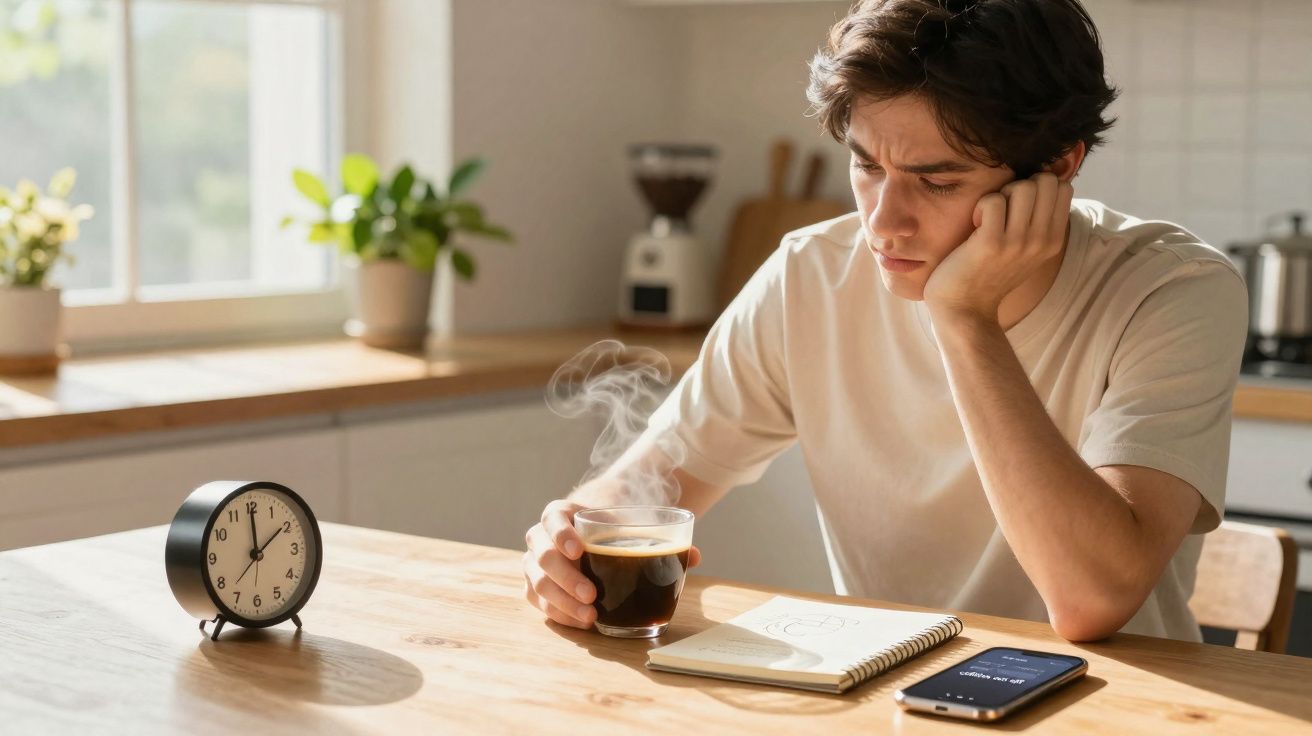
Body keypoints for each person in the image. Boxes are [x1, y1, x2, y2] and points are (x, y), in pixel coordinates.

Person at [523, 0, 1246, 642]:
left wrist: (963, 317)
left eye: (937, 181)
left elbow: (1092, 599)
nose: (883, 223)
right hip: (883, 700)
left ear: (1058, 167)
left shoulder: (1174, 290)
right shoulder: (810, 274)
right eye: (866, 166)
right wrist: (569, 539)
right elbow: (645, 487)